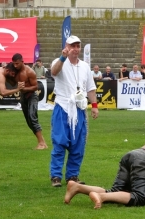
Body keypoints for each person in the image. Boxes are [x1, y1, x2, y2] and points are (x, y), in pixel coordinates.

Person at [50, 35, 99, 187]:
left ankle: (72, 175)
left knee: (78, 144)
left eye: (78, 46)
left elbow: (90, 88)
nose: (76, 49)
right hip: (63, 107)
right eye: (73, 46)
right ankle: (56, 176)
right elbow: (54, 72)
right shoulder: (59, 61)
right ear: (66, 47)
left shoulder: (84, 66)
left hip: (79, 109)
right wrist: (62, 58)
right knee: (60, 142)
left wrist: (95, 106)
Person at [12, 53, 48, 149]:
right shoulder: (14, 70)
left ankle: (41, 143)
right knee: (29, 121)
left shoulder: (29, 72)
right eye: (14, 64)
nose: (15, 66)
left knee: (32, 118)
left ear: (22, 62)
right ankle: (43, 142)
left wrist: (24, 89)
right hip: (23, 97)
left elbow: (36, 86)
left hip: (32, 96)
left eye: (17, 63)